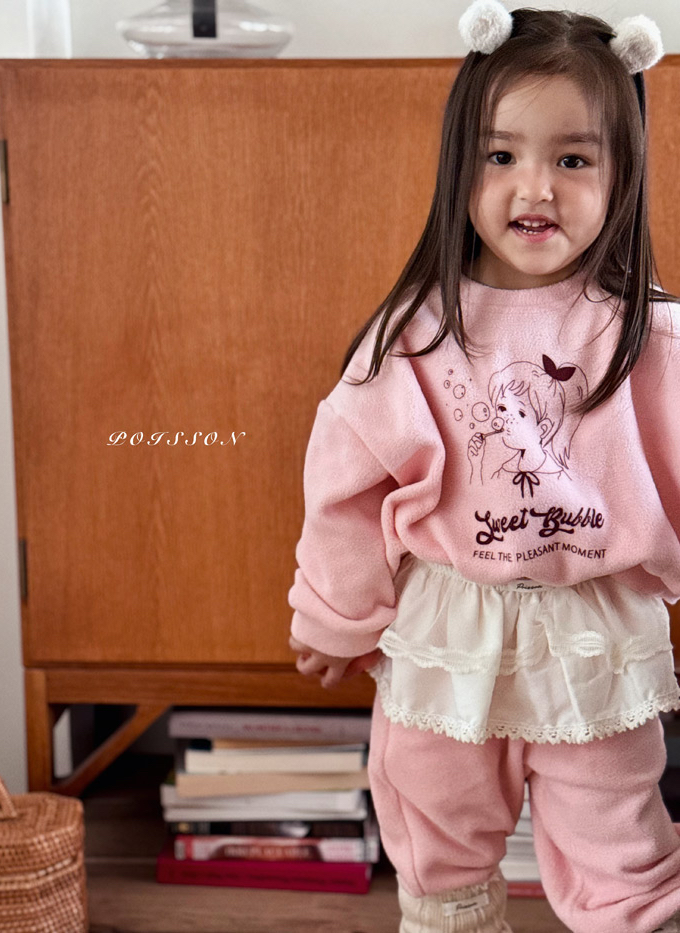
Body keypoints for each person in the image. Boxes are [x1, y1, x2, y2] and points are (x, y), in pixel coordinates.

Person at [287, 2, 680, 930]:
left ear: (622, 174)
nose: (534, 188)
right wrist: (336, 615)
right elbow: (348, 484)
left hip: (594, 634)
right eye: (500, 155)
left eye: (573, 160)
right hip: (446, 628)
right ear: (459, 165)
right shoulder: (416, 334)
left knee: (621, 845)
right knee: (437, 829)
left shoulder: (648, 334)